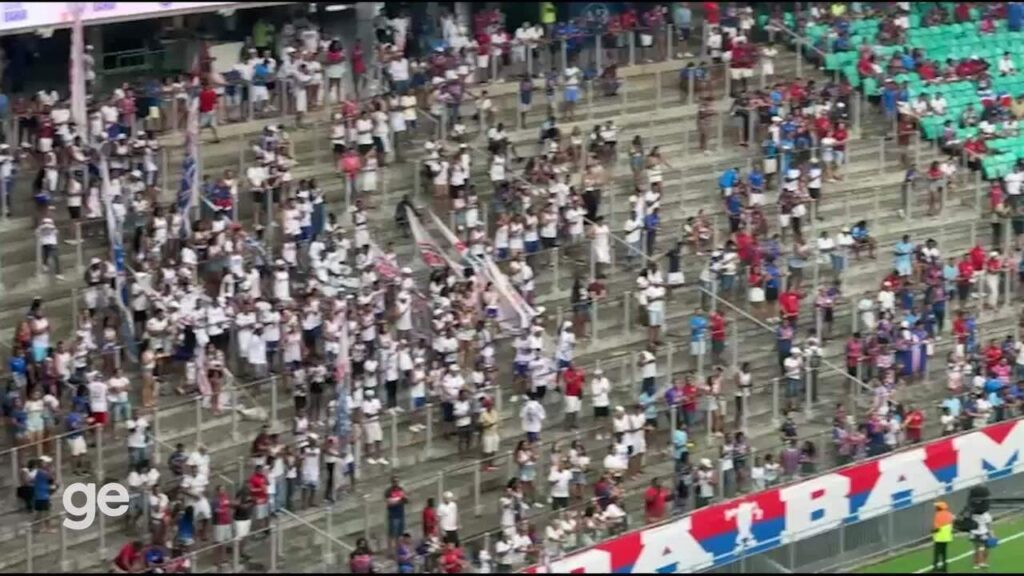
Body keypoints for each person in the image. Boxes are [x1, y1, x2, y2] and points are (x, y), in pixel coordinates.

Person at [932, 500, 954, 573]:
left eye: (937, 507)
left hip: (939, 537)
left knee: (937, 553)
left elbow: (936, 527)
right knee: (944, 552)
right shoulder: (949, 514)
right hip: (947, 537)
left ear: (939, 508)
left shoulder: (938, 515)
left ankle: (935, 568)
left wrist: (933, 531)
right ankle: (944, 568)